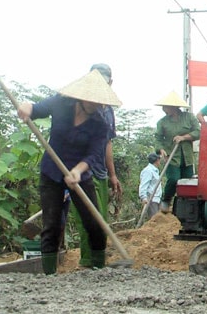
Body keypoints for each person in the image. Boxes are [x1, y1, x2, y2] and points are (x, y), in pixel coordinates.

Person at [17, 69, 122, 274]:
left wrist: (77, 171)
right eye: (93, 101)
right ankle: (49, 274)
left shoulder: (100, 123)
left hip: (80, 175)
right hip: (51, 173)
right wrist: (26, 106)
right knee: (52, 223)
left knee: (94, 222)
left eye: (100, 102)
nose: (97, 105)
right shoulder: (61, 103)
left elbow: (93, 155)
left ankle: (99, 268)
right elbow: (36, 108)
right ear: (82, 97)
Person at [69, 63, 123, 268]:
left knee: (101, 219)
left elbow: (107, 143)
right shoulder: (76, 106)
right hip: (78, 171)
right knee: (86, 217)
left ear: (110, 82)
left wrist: (113, 174)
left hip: (99, 170)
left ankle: (98, 262)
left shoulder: (108, 111)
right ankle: (87, 262)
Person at [155, 91, 201, 212]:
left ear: (174, 107)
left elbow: (198, 132)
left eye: (166, 106)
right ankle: (166, 199)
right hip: (172, 156)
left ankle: (183, 208)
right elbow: (158, 139)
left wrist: (184, 137)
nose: (164, 109)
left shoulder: (189, 117)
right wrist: (161, 149)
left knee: (187, 183)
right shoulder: (162, 122)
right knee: (174, 179)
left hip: (187, 156)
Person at [139, 152, 163, 220]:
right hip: (152, 199)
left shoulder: (155, 171)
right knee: (154, 220)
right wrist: (144, 197)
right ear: (157, 160)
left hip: (157, 199)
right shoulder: (148, 171)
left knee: (159, 220)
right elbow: (144, 185)